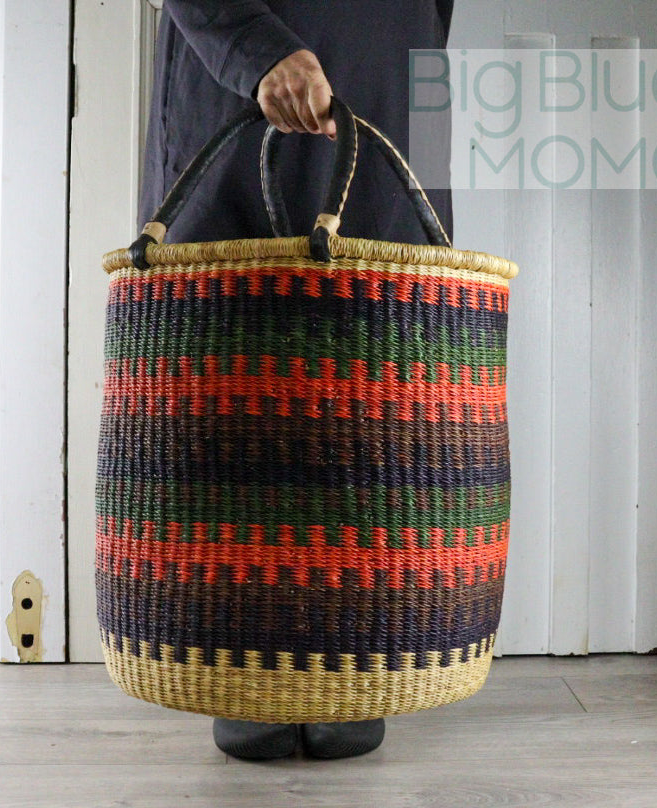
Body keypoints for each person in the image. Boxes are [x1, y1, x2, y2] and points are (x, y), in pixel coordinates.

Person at [138, 0, 455, 762]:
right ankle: (244, 665)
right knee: (234, 382)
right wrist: (252, 49)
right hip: (243, 76)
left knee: (381, 383)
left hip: (393, 75)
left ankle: (360, 656)